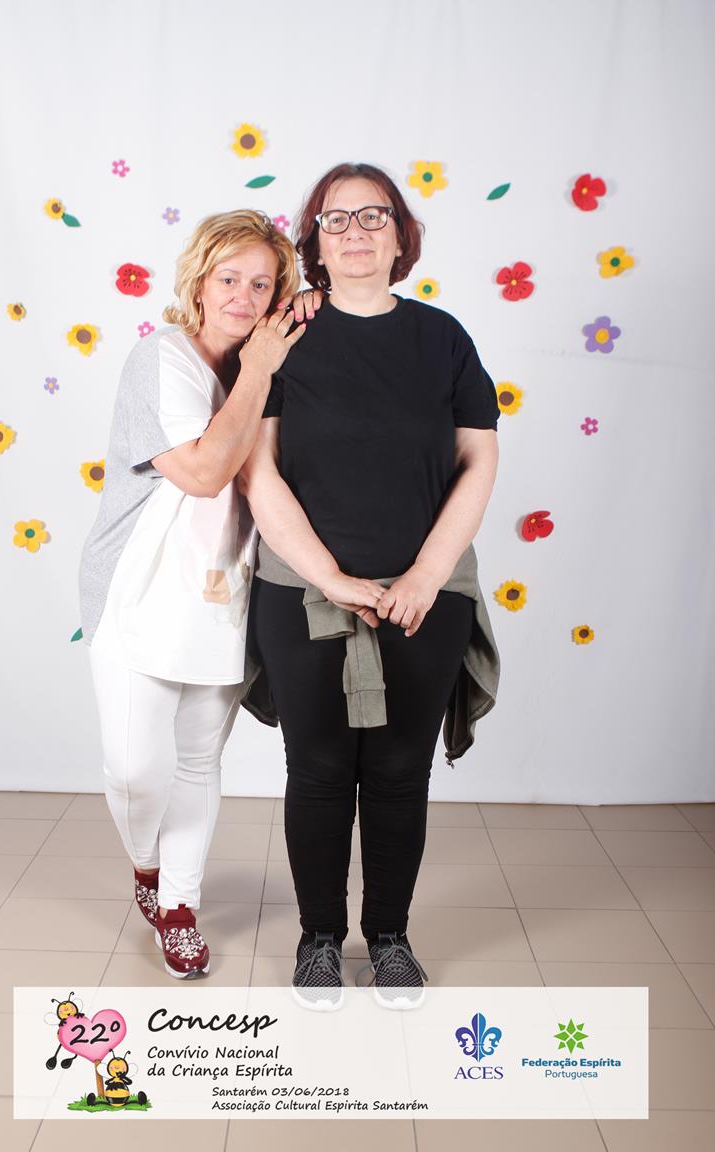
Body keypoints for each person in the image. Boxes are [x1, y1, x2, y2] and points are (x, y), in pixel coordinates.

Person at [239, 164, 501, 1009]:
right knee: (317, 770)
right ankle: (319, 939)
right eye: (336, 218)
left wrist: (426, 574)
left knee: (398, 770)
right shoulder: (284, 335)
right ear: (313, 241)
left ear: (401, 235)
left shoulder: (443, 338)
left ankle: (390, 938)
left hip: (426, 595)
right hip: (302, 589)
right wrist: (329, 576)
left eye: (373, 216)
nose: (355, 232)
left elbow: (478, 458)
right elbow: (256, 469)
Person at [79, 210, 303, 978]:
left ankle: (178, 906)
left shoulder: (271, 370)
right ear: (199, 284)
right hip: (137, 591)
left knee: (198, 759)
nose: (243, 296)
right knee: (133, 769)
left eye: (261, 285)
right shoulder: (162, 359)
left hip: (225, 593)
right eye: (228, 279)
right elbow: (205, 472)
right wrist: (260, 370)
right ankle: (146, 863)